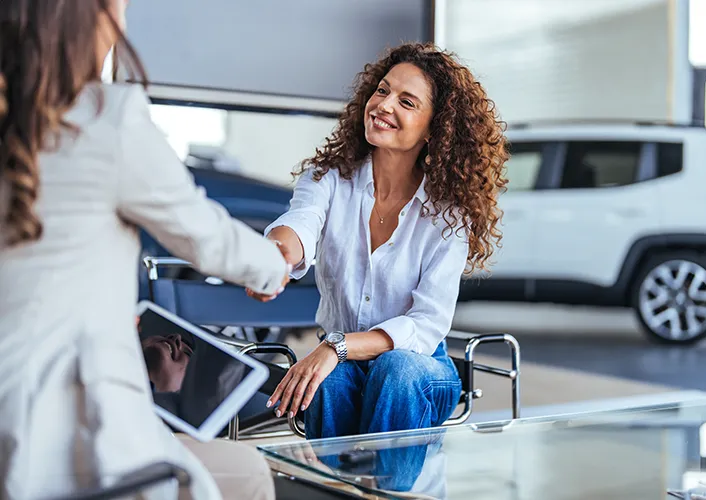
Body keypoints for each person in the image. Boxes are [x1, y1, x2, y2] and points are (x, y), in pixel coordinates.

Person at [0, 1, 289, 498]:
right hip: (60, 434)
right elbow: (207, 236)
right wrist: (273, 268)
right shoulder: (104, 121)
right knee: (245, 472)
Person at [248, 43, 509, 439]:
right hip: (342, 361)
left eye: (407, 101)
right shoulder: (329, 178)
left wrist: (336, 347)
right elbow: (301, 222)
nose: (384, 105)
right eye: (383, 91)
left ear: (434, 128)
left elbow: (425, 325)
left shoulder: (448, 213)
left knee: (396, 370)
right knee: (330, 383)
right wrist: (277, 257)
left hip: (421, 367)